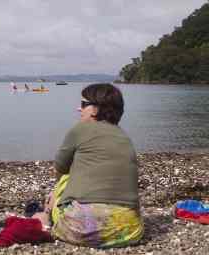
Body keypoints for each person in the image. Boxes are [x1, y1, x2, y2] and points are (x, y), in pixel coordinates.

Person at [32, 83, 144, 248]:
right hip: (129, 231)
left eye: (84, 104)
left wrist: (54, 197)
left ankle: (45, 217)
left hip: (80, 230)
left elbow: (60, 168)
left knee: (64, 180)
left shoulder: (80, 129)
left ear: (94, 110)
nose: (79, 109)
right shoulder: (124, 137)